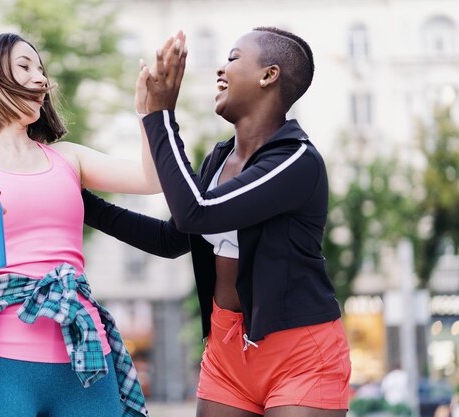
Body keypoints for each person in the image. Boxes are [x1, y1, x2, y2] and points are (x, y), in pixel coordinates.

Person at [82, 27, 352, 417]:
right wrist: (81, 202)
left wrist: (159, 117)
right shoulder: (220, 160)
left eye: (233, 58)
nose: (220, 70)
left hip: (300, 352)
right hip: (227, 350)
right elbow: (172, 237)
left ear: (268, 75)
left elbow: (198, 211)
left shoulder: (297, 161)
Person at [0, 33, 159, 417]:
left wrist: (148, 114)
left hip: (85, 358)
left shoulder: (68, 158)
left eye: (40, 69)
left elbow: (151, 180)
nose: (40, 79)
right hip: (4, 364)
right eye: (24, 67)